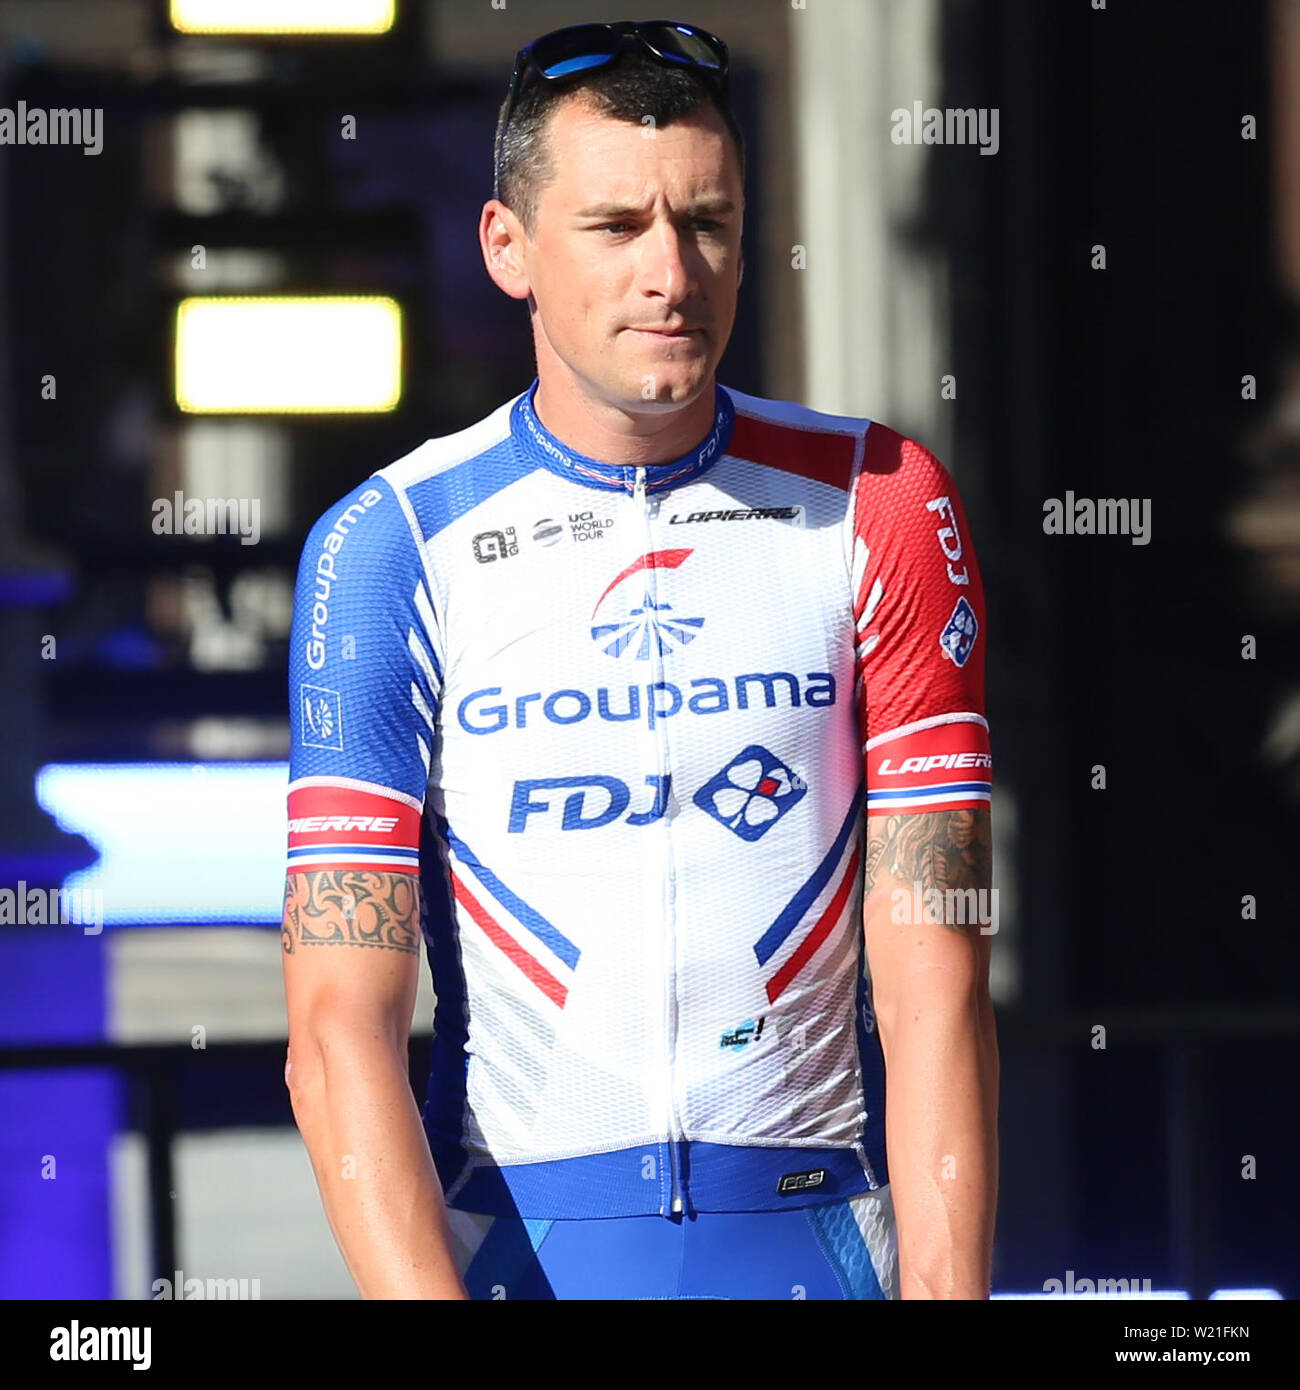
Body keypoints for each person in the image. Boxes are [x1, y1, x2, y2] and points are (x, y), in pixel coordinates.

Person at [280, 18, 998, 1301]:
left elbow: (935, 978)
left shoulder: (878, 499)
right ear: (510, 248)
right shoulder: (393, 544)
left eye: (708, 222)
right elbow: (338, 1031)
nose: (672, 272)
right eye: (617, 228)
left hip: (809, 1236)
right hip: (518, 1246)